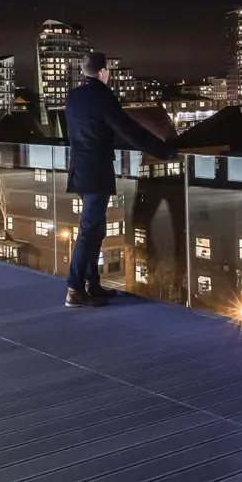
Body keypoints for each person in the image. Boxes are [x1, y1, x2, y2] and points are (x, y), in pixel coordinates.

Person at [62, 50, 177, 307]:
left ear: (84, 71)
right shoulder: (103, 97)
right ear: (105, 71)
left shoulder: (73, 97)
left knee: (96, 227)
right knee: (89, 230)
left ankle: (92, 283)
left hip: (80, 169)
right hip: (97, 170)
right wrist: (163, 151)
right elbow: (129, 131)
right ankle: (74, 288)